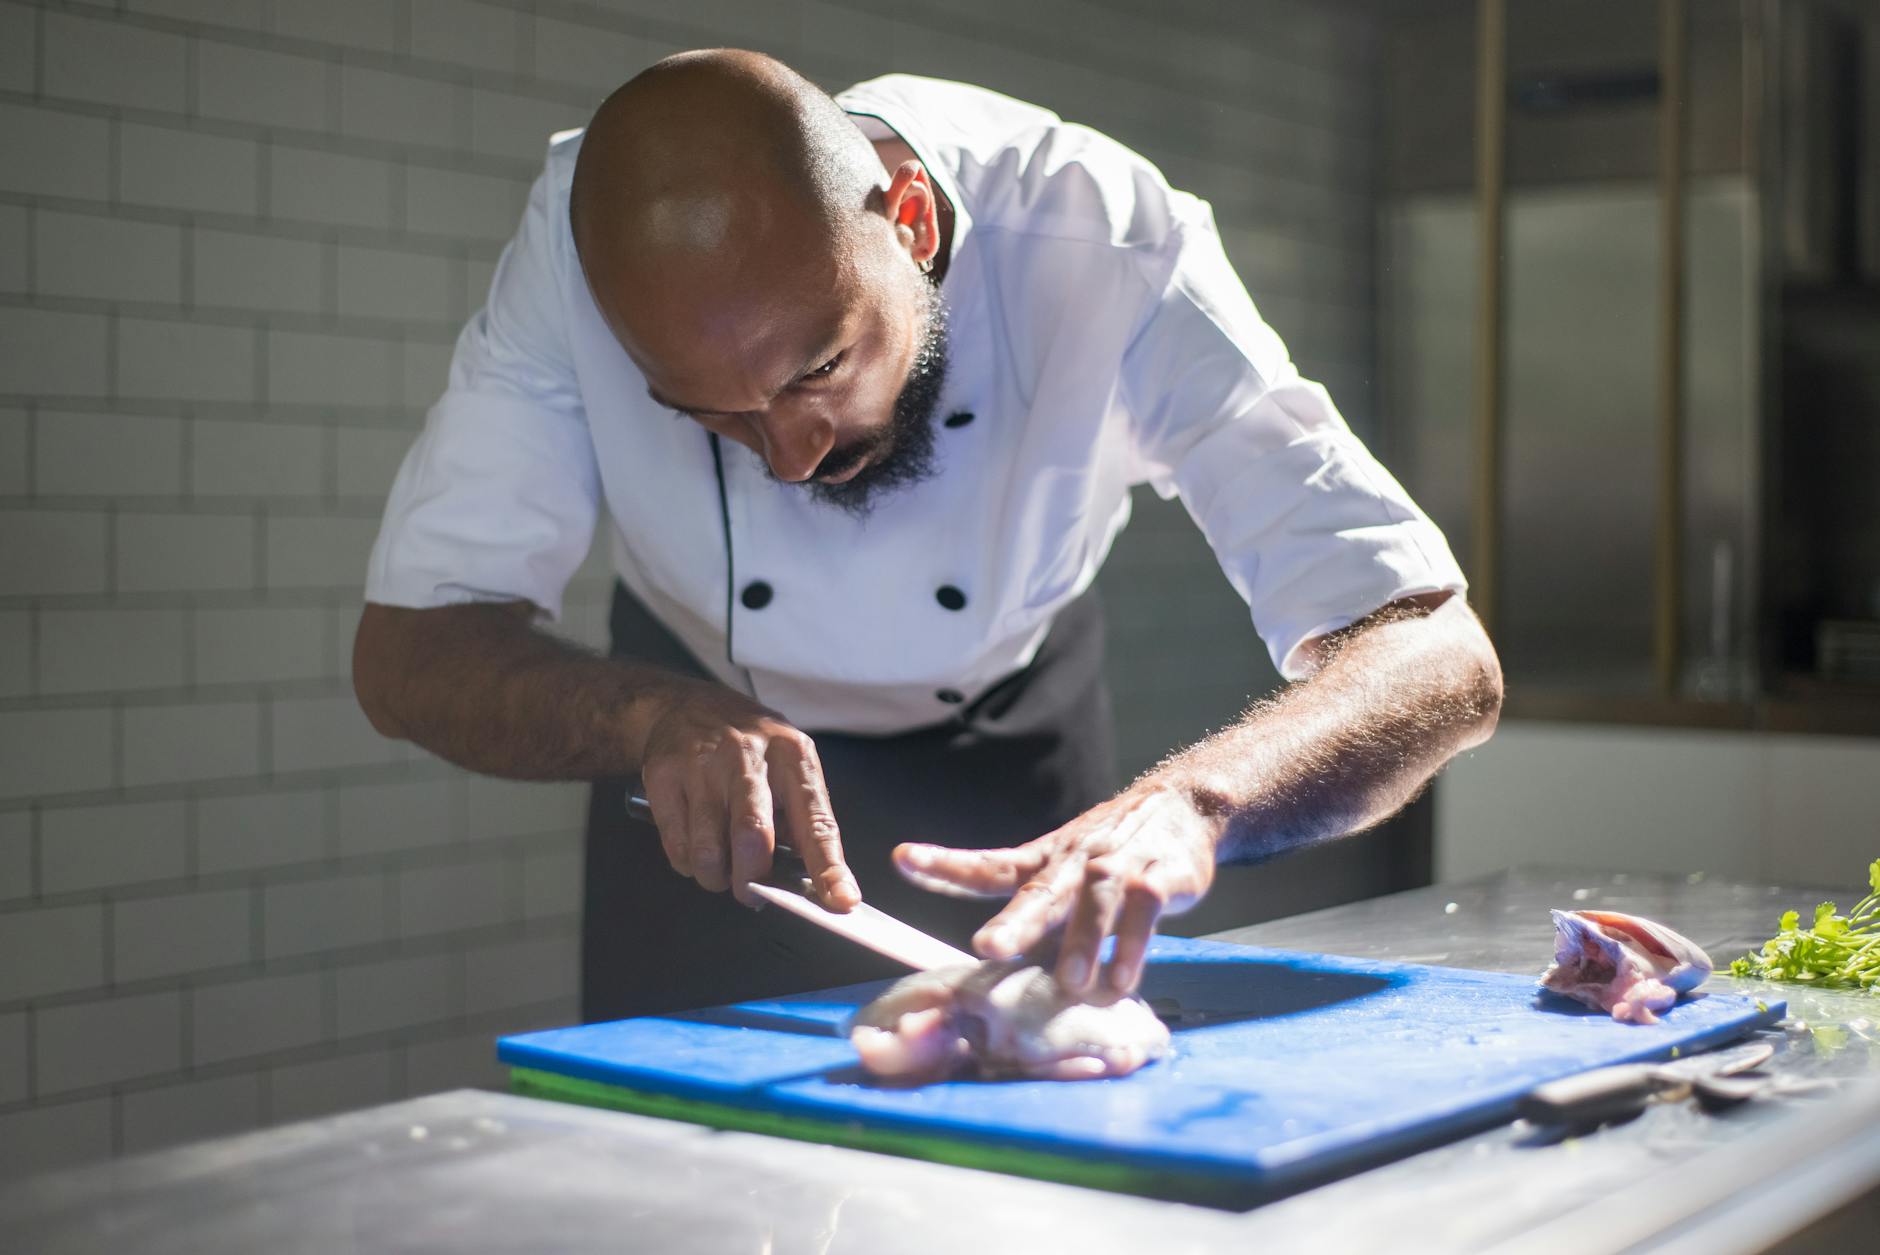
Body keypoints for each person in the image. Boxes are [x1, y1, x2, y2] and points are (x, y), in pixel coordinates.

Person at [352, 50, 1501, 1023]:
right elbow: (410, 652)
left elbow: (1436, 653)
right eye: (710, 416)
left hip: (1012, 770)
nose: (789, 456)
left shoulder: (1103, 240)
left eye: (818, 369)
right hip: (706, 777)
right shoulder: (570, 249)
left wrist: (1197, 802)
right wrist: (646, 715)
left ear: (906, 220)